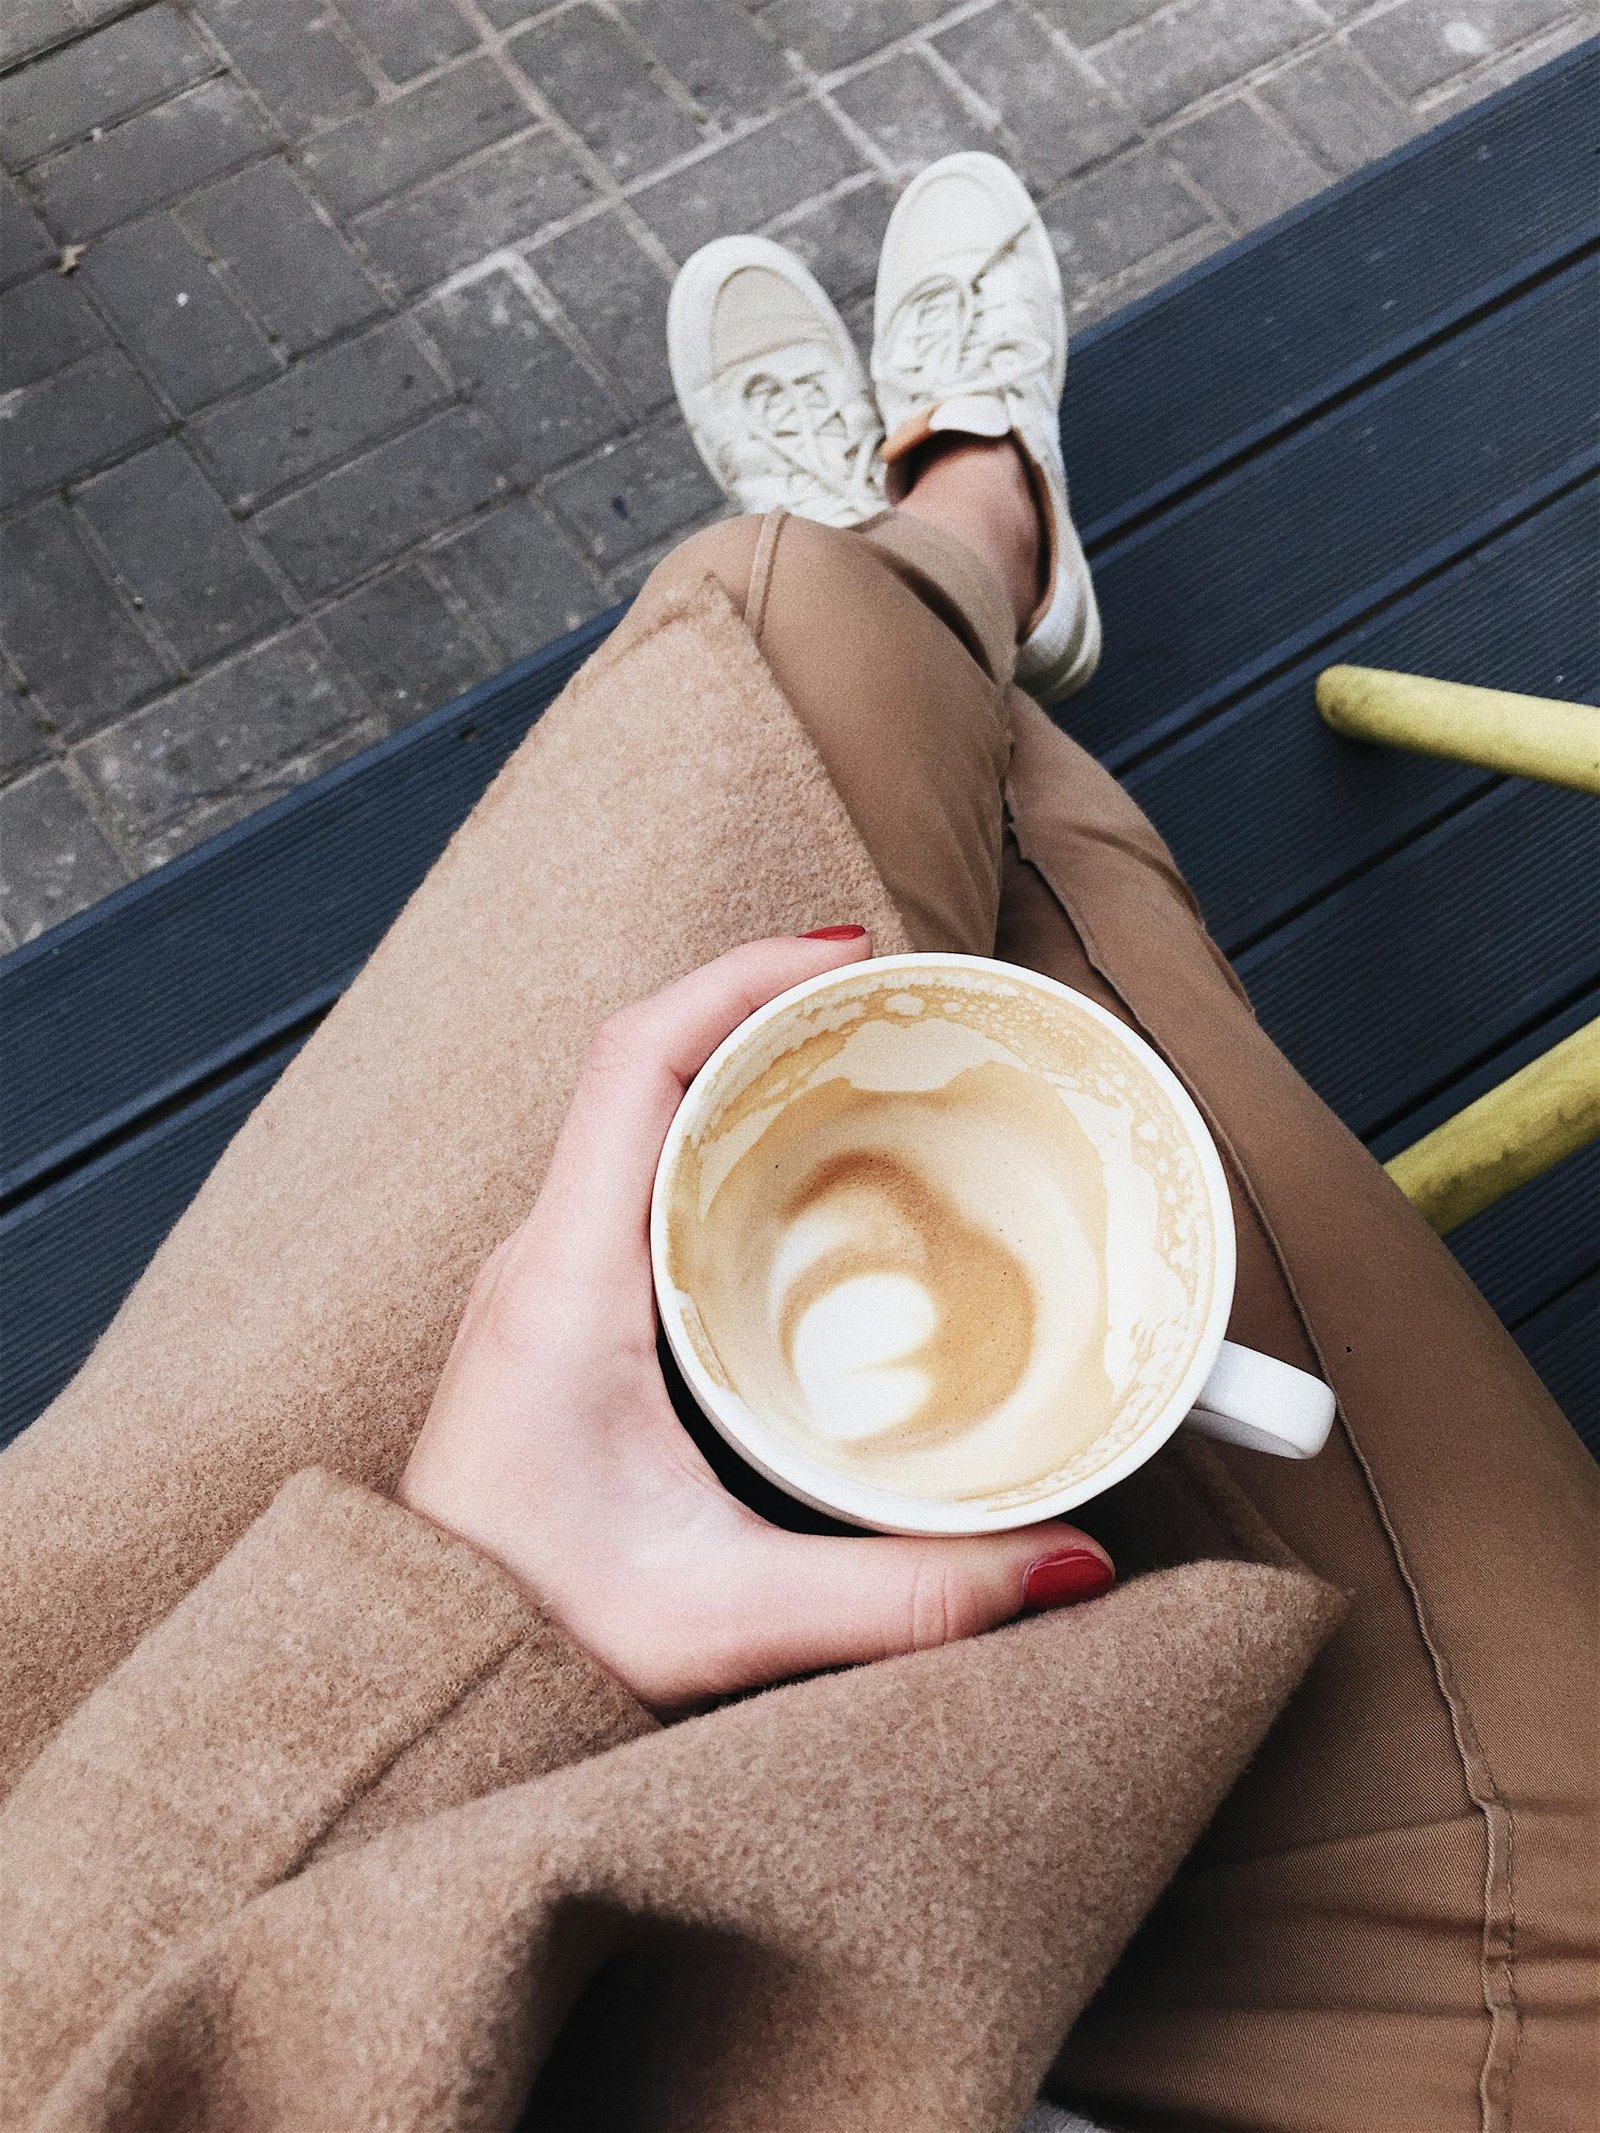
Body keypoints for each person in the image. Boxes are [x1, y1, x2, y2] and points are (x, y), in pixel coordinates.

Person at [1, 155, 1592, 2133]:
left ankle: (936, 576)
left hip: (153, 1800)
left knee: (819, 698)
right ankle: (954, 536)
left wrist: (464, 1628)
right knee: (785, 651)